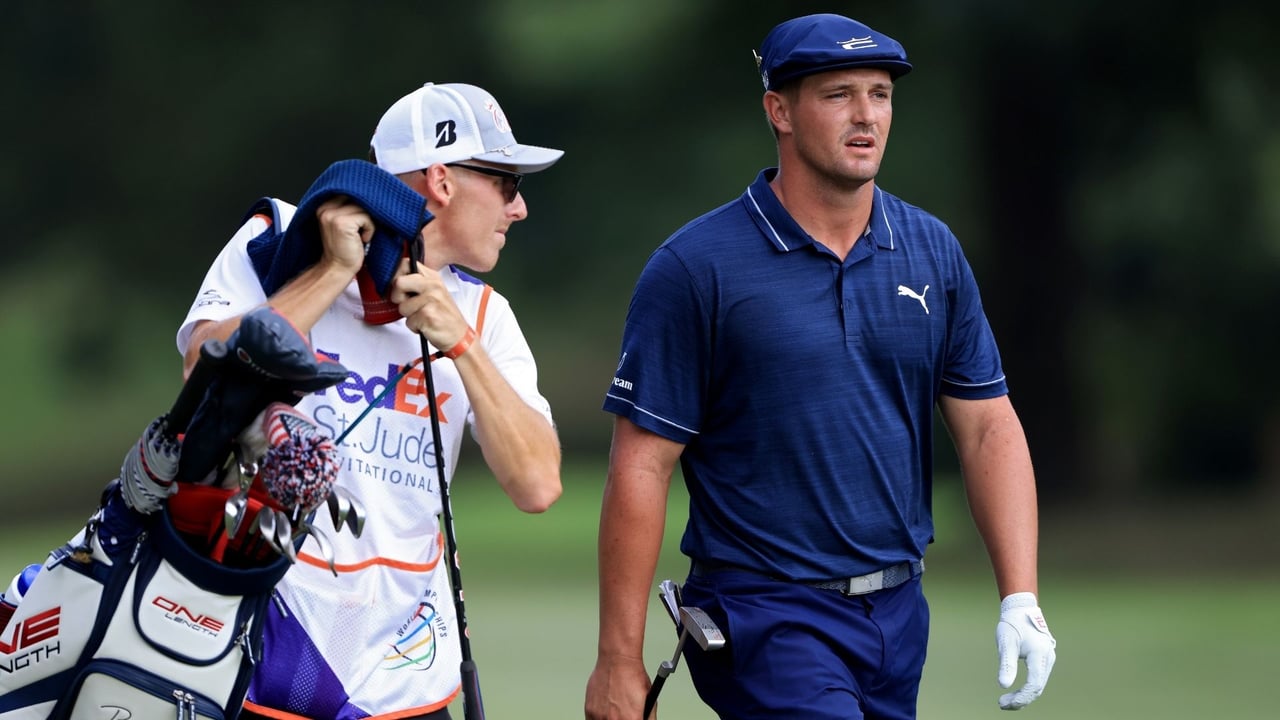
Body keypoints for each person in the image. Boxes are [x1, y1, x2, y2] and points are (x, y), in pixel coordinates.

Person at [585, 13, 1056, 720]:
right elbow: (641, 466)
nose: (867, 115)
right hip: (764, 614)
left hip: (898, 615)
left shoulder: (931, 251)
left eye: (881, 93)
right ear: (779, 110)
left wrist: (1021, 597)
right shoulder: (696, 268)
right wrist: (619, 660)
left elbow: (989, 426)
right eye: (839, 94)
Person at [178, 82, 564, 720]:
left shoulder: (487, 317)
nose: (518, 210)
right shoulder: (280, 239)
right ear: (442, 180)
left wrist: (460, 343)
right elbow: (203, 369)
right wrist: (328, 274)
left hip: (406, 677)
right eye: (507, 184)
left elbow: (538, 485)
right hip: (265, 654)